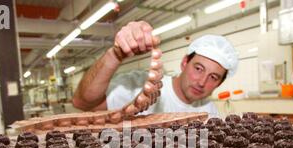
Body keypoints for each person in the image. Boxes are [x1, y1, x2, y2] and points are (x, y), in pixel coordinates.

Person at [73, 21, 238, 117]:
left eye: (213, 77)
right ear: (184, 63)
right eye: (198, 68)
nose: (202, 82)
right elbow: (82, 103)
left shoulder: (209, 112)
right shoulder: (139, 86)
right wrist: (115, 55)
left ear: (219, 84)